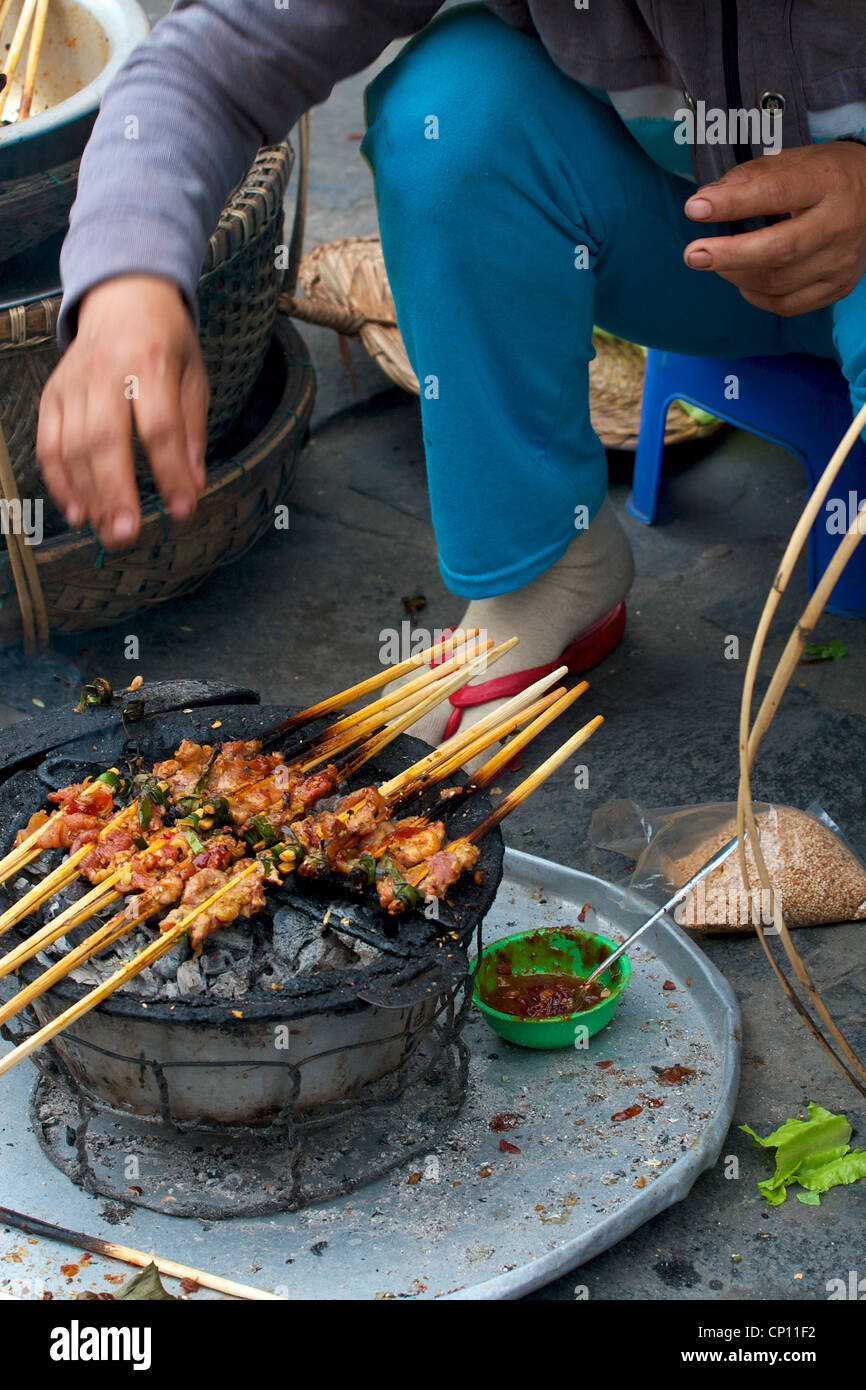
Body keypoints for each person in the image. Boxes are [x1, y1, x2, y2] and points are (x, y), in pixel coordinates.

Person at [38, 1, 866, 745]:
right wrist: (128, 277)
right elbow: (212, 60)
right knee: (453, 113)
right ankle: (549, 568)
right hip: (689, 247)